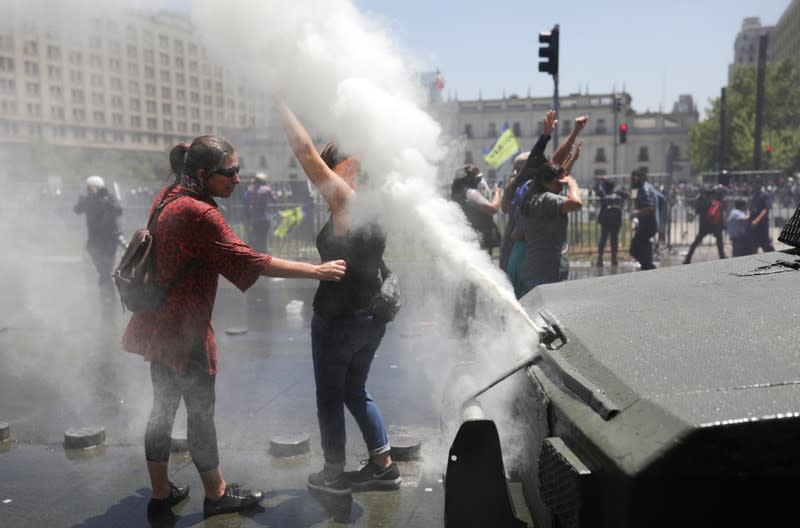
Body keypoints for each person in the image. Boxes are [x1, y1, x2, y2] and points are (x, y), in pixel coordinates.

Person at [121, 136, 346, 520]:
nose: (238, 180)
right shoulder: (199, 213)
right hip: (186, 332)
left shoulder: (168, 195)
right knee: (200, 414)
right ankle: (217, 493)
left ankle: (160, 494)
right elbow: (250, 259)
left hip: (157, 322)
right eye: (231, 173)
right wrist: (316, 270)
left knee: (161, 410)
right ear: (204, 174)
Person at [277, 100, 401, 496]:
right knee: (355, 391)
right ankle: (383, 466)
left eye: (336, 166)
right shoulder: (376, 204)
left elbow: (304, 152)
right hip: (370, 318)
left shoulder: (348, 202)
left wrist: (280, 102)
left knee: (330, 396)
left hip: (340, 319)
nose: (327, 175)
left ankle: (333, 474)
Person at [503, 113, 587, 298]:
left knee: (523, 305)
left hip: (522, 250)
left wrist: (570, 137)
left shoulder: (525, 188)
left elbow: (556, 169)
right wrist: (571, 131)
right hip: (529, 251)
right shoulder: (531, 190)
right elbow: (557, 164)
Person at [517, 159, 583, 297]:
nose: (561, 187)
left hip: (532, 264)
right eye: (559, 183)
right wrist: (572, 183)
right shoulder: (548, 199)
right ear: (546, 181)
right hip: (549, 267)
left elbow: (517, 234)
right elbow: (576, 203)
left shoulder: (531, 199)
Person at [73, 175, 122, 301]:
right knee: (101, 267)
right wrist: (83, 201)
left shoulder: (108, 198)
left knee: (107, 267)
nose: (90, 190)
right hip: (94, 240)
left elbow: (118, 211)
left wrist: (106, 202)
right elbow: (77, 210)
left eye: (92, 188)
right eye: (88, 188)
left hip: (109, 239)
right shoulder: (88, 200)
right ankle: (106, 290)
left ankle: (108, 294)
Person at [451, 164, 502, 254]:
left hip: (471, 237)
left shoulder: (459, 192)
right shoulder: (471, 192)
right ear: (469, 179)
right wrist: (497, 193)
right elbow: (493, 209)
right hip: (478, 238)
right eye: (477, 178)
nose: (478, 181)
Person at [683, 187, 725, 264]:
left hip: (704, 224)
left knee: (696, 241)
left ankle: (688, 258)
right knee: (719, 241)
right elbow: (720, 212)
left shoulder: (702, 198)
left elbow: (697, 211)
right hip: (715, 224)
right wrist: (722, 225)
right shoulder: (717, 198)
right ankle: (722, 257)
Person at [629, 169, 661, 270]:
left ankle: (649, 268)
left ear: (641, 179)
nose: (632, 181)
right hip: (647, 225)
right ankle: (648, 268)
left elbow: (650, 208)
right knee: (645, 251)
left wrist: (636, 213)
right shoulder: (647, 187)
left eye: (634, 179)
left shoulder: (645, 189)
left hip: (647, 226)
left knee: (634, 249)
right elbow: (662, 199)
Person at [594, 176, 628, 268]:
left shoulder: (604, 193)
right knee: (614, 239)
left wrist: (602, 182)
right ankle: (614, 258)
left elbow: (598, 191)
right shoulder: (618, 193)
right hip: (616, 220)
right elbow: (627, 195)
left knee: (604, 239)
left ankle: (600, 258)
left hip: (606, 220)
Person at [242, 171, 276, 252]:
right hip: (264, 219)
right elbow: (275, 200)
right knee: (263, 239)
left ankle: (257, 255)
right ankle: (264, 255)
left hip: (254, 220)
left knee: (256, 239)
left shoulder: (250, 190)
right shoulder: (266, 189)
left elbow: (246, 201)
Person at [748, 179, 775, 254]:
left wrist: (756, 221)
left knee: (765, 245)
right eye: (753, 183)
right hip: (754, 225)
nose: (754, 185)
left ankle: (773, 259)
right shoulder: (754, 195)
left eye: (756, 183)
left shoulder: (765, 195)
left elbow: (765, 210)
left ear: (760, 184)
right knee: (753, 246)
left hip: (761, 224)